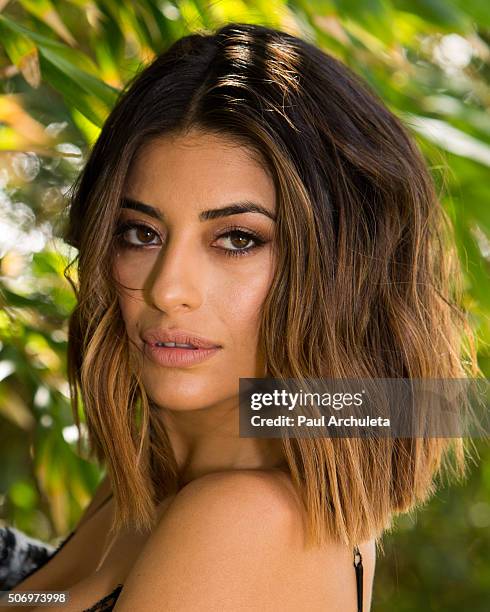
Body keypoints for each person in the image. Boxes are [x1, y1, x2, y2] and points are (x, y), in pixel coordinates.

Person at [4, 21, 477, 611]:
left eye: (237, 240)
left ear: (338, 274)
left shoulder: (243, 519)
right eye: (140, 232)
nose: (169, 290)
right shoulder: (157, 478)